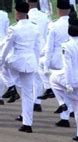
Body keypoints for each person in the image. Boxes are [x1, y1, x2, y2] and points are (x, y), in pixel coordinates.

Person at [0, 1, 40, 133]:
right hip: (30, 62)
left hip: (17, 61)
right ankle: (27, 124)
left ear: (17, 13)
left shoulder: (14, 28)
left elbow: (6, 48)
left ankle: (11, 86)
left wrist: (0, 61)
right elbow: (37, 48)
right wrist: (37, 63)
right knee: (28, 93)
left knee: (4, 65)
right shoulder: (35, 27)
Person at [50, 17, 78, 141]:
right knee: (77, 105)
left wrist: (68, 83)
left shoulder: (66, 45)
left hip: (72, 77)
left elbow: (68, 67)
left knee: (52, 78)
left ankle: (62, 103)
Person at [38, 0, 70, 115]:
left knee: (40, 64)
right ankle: (67, 113)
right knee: (67, 88)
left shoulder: (54, 25)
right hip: (70, 61)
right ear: (69, 10)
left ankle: (48, 87)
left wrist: (46, 67)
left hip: (56, 60)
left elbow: (49, 48)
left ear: (58, 11)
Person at [27, 0, 50, 112]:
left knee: (31, 78)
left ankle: (35, 102)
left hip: (31, 49)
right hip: (43, 48)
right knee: (37, 78)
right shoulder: (44, 16)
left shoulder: (27, 16)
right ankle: (37, 102)